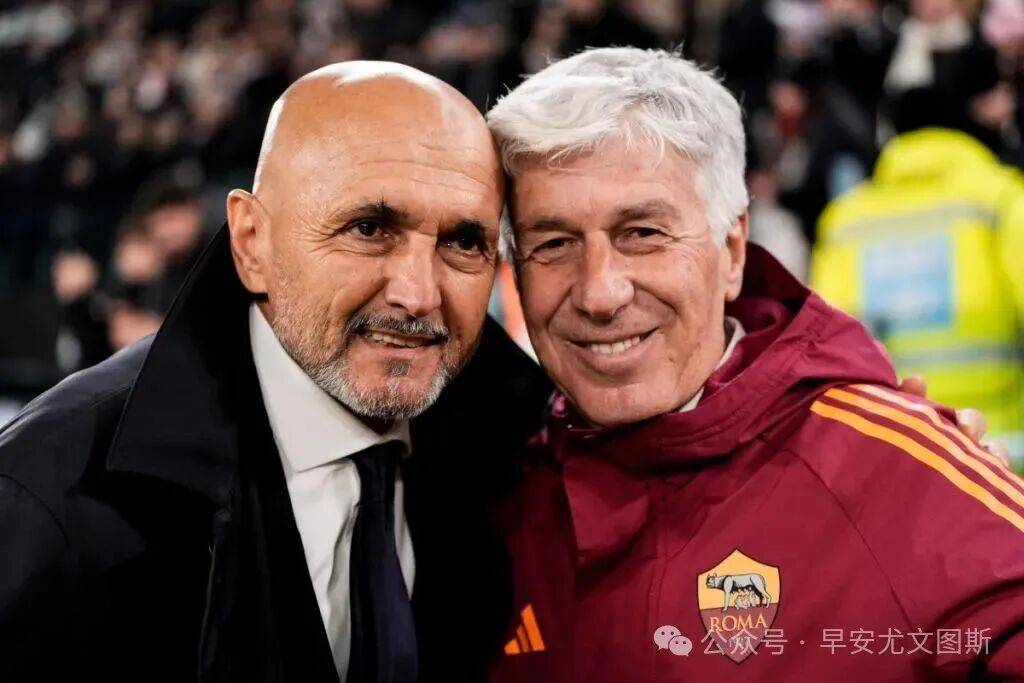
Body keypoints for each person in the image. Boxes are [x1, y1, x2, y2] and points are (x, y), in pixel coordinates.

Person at [484, 47, 1024, 681]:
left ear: (733, 249)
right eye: (553, 244)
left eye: (644, 233)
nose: (600, 293)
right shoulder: (484, 498)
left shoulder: (902, 477)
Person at [0, 62, 551, 683]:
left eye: (464, 242)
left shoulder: (518, 455)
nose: (420, 295)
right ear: (251, 242)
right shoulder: (49, 498)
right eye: (369, 229)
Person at [813, 127, 1024, 469]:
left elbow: (828, 352)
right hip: (1004, 462)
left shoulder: (845, 220)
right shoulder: (1002, 199)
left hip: (894, 457)